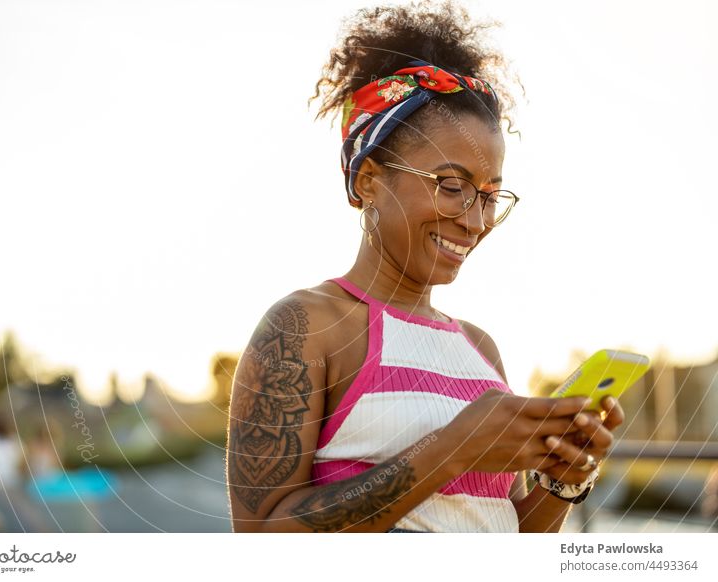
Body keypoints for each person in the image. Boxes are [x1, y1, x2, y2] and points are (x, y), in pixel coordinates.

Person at [226, 0, 624, 533]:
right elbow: (258, 539)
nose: (475, 220)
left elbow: (509, 531)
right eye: (453, 186)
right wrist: (454, 449)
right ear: (369, 178)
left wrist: (564, 477)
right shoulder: (306, 326)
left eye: (489, 196)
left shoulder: (480, 350)